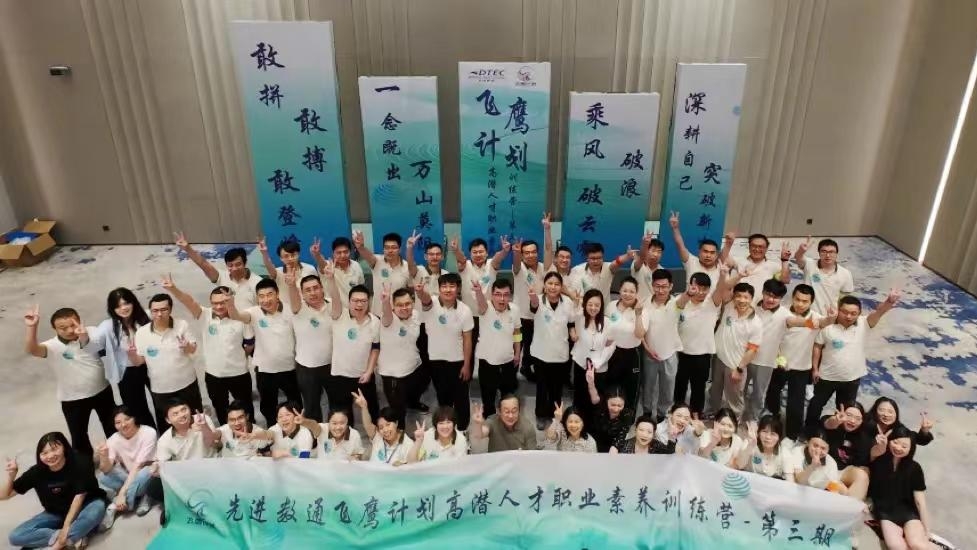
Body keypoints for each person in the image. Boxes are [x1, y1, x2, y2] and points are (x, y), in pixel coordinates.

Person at [24, 305, 115, 456]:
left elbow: (101, 351)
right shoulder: (52, 346)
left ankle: (118, 457)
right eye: (63, 328)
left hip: (102, 391)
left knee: (112, 427)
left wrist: (84, 337)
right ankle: (85, 465)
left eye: (73, 325)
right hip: (72, 399)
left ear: (79, 320)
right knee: (79, 437)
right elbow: (32, 350)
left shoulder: (92, 332)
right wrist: (32, 327)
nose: (69, 330)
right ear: (54, 329)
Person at [804, 291, 900, 433]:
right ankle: (809, 431)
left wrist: (889, 301)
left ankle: (837, 435)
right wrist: (815, 369)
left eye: (853, 313)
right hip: (827, 376)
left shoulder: (864, 323)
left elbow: (879, 312)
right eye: (845, 312)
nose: (848, 316)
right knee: (816, 405)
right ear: (839, 310)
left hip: (851, 378)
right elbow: (817, 346)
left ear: (859, 313)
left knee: (846, 411)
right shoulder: (828, 326)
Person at [164, 275, 254, 424]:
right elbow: (188, 301)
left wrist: (238, 357)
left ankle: (250, 433)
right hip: (214, 375)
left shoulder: (241, 318)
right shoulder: (205, 315)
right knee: (221, 409)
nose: (219, 307)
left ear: (230, 300)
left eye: (223, 302)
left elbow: (249, 345)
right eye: (215, 303)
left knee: (246, 408)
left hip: (239, 374)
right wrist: (173, 289)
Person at [3, 432, 107, 549]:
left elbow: (79, 497)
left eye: (54, 449)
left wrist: (64, 530)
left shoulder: (80, 462)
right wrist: (11, 476)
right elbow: (4, 495)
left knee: (95, 512)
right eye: (44, 453)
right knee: (15, 536)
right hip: (56, 513)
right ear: (39, 455)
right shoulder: (36, 472)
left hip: (87, 505)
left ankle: (63, 541)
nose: (50, 456)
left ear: (64, 447)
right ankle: (76, 536)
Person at [226, 279, 301, 427]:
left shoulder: (290, 310)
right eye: (261, 296)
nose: (266, 300)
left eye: (269, 294)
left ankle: (297, 430)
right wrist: (230, 303)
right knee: (268, 407)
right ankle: (272, 431)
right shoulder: (254, 312)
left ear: (277, 294)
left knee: (295, 404)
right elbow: (237, 316)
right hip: (265, 371)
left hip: (290, 368)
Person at [764, 284, 830, 440]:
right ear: (792, 298)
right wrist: (778, 357)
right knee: (772, 394)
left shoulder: (815, 317)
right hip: (779, 363)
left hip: (802, 367)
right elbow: (772, 337)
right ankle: (772, 424)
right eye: (797, 299)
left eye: (805, 301)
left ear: (811, 302)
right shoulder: (782, 313)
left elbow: (825, 322)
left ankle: (792, 436)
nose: (800, 304)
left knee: (796, 404)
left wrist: (831, 317)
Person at [130, 293, 202, 431]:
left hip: (187, 383)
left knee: (195, 420)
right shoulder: (142, 333)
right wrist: (131, 355)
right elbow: (139, 362)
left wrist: (187, 346)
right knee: (166, 427)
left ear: (170, 310)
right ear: (150, 312)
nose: (159, 314)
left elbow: (193, 349)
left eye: (164, 309)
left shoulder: (181, 325)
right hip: (161, 388)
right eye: (155, 310)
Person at [417, 273, 474, 430]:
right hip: (436, 361)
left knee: (461, 399)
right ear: (439, 288)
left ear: (458, 289)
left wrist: (467, 365)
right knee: (443, 398)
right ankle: (446, 428)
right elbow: (425, 299)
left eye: (452, 286)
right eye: (444, 286)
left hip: (458, 362)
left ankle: (462, 429)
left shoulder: (465, 310)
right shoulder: (432, 304)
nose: (448, 290)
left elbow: (467, 339)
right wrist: (420, 292)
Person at [98, 288, 157, 430]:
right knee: (136, 408)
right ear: (112, 309)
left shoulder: (147, 316)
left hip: (151, 364)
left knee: (160, 400)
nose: (123, 308)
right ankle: (148, 437)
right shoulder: (108, 326)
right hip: (127, 371)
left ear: (133, 302)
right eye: (118, 306)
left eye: (126, 303)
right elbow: (93, 342)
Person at [451, 235, 511, 376]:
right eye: (475, 252)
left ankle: (489, 376)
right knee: (468, 347)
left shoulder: (491, 264)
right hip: (469, 316)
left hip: (489, 315)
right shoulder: (465, 265)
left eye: (481, 251)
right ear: (470, 253)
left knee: (489, 346)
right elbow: (460, 259)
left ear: (486, 253)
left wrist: (505, 251)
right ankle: (467, 374)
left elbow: (498, 259)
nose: (478, 254)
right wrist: (456, 250)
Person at [867, 425, 933, 550]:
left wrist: (927, 530)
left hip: (908, 510)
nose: (898, 448)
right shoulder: (878, 459)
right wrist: (881, 445)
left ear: (911, 449)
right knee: (896, 546)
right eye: (895, 442)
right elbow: (874, 452)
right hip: (885, 511)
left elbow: (920, 501)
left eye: (904, 446)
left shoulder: (914, 468)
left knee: (917, 544)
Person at [325, 277, 381, 424]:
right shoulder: (339, 315)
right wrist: (331, 279)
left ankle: (376, 433)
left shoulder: (375, 321)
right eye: (355, 301)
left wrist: (369, 372)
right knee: (343, 415)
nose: (359, 304)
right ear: (349, 302)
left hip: (364, 376)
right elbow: (335, 296)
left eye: (363, 301)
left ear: (369, 302)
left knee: (372, 410)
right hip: (339, 376)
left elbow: (375, 348)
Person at [673, 270, 727, 418]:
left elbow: (720, 289)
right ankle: (677, 411)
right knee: (680, 385)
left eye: (705, 289)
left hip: (703, 354)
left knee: (699, 386)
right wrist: (688, 294)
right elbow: (678, 305)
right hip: (682, 352)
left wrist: (723, 275)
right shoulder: (681, 299)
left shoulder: (712, 302)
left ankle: (696, 413)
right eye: (698, 288)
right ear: (690, 285)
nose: (701, 292)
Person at [708, 279, 763, 419]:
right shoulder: (728, 307)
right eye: (738, 296)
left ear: (752, 299)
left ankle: (734, 421)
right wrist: (737, 276)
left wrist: (739, 369)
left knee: (734, 398)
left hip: (735, 365)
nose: (742, 300)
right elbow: (724, 287)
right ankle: (714, 415)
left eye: (746, 297)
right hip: (719, 359)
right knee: (715, 390)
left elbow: (752, 350)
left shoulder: (756, 322)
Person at [529, 272, 577, 430]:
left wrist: (572, 333)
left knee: (557, 388)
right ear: (545, 285)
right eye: (550, 283)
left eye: (557, 284)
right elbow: (533, 305)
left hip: (560, 353)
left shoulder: (567, 302)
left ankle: (556, 415)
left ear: (561, 286)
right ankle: (541, 415)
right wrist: (533, 297)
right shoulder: (538, 300)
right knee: (542, 387)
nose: (553, 287)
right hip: (540, 353)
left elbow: (571, 322)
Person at [405, 232, 447, 411]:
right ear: (425, 256)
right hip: (421, 325)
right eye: (431, 254)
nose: (434, 257)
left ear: (442, 256)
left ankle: (442, 399)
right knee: (423, 364)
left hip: (440, 326)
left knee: (437, 363)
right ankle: (413, 399)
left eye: (437, 254)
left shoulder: (446, 275)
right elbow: (411, 265)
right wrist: (409, 248)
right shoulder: (419, 272)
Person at [95, 406, 157, 527]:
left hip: (147, 473)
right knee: (103, 477)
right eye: (118, 422)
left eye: (127, 419)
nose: (123, 425)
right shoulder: (113, 439)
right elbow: (106, 469)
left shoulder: (149, 432)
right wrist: (103, 456)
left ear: (134, 418)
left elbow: (138, 467)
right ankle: (141, 495)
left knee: (145, 474)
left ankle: (115, 505)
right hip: (129, 475)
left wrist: (122, 493)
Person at [286, 270, 334, 423]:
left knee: (337, 404)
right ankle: (315, 433)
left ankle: (336, 432)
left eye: (315, 288)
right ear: (302, 293)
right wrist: (291, 285)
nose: (313, 293)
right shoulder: (298, 308)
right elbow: (294, 300)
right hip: (307, 368)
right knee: (312, 407)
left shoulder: (332, 304)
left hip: (333, 365)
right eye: (308, 290)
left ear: (322, 288)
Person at [473, 279, 522, 419]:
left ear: (510, 296)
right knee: (488, 395)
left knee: (508, 394)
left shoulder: (515, 309)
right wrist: (478, 291)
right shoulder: (485, 308)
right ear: (492, 295)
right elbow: (481, 303)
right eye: (498, 294)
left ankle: (507, 418)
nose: (502, 298)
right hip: (487, 361)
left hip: (508, 360)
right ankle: (489, 417)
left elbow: (517, 332)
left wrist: (517, 353)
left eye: (506, 295)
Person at [173, 233, 262, 310]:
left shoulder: (258, 282)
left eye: (238, 264)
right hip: (227, 323)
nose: (234, 268)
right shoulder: (222, 277)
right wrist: (188, 248)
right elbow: (203, 264)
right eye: (230, 265)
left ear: (245, 263)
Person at [639, 269, 682, 422]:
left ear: (671, 286)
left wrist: (690, 293)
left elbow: (684, 300)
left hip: (670, 353)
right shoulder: (645, 303)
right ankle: (646, 412)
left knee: (668, 387)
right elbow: (640, 330)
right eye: (657, 286)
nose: (661, 290)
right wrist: (647, 348)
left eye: (664, 286)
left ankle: (663, 414)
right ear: (652, 285)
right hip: (649, 352)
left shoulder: (676, 303)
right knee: (648, 385)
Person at [377, 285, 422, 423]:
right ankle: (400, 430)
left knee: (413, 395)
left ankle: (413, 404)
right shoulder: (388, 320)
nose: (404, 308)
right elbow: (386, 314)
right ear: (393, 306)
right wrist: (385, 302)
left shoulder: (415, 314)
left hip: (413, 367)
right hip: (393, 374)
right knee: (398, 411)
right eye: (399, 305)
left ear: (413, 303)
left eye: (407, 303)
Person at [571, 289, 616, 421]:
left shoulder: (607, 322)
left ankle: (594, 423)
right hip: (581, 364)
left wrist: (598, 363)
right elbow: (571, 317)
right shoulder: (580, 318)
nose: (593, 308)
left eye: (597, 305)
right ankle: (578, 423)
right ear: (585, 304)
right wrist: (575, 302)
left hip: (599, 367)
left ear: (601, 306)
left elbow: (611, 346)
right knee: (580, 395)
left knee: (596, 398)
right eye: (590, 304)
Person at [668, 211, 732, 298]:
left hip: (712, 306)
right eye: (705, 251)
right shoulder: (691, 261)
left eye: (712, 253)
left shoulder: (721, 269)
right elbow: (680, 245)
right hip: (689, 305)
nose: (708, 255)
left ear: (716, 255)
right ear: (699, 252)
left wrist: (729, 243)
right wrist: (675, 228)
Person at [604, 276, 646, 409]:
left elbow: (640, 335)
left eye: (632, 291)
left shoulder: (642, 310)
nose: (628, 294)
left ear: (636, 293)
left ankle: (629, 417)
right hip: (613, 352)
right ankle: (611, 414)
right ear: (620, 290)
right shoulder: (611, 306)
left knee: (631, 389)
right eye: (625, 290)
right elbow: (605, 327)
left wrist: (638, 314)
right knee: (611, 385)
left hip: (633, 354)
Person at [509, 235, 546, 382]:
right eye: (526, 253)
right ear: (523, 255)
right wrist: (516, 253)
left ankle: (525, 367)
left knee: (532, 345)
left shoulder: (543, 267)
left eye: (533, 252)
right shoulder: (519, 268)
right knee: (517, 345)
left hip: (537, 315)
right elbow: (516, 264)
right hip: (520, 318)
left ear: (537, 252)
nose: (530, 255)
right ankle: (511, 377)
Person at [821, 402, 871, 500]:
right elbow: (828, 424)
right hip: (824, 468)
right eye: (849, 415)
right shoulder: (832, 422)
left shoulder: (863, 437)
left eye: (858, 418)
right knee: (841, 489)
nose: (852, 421)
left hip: (844, 471)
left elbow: (861, 462)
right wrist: (836, 420)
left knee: (862, 475)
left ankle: (852, 506)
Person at [352, 230, 411, 314]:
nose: (390, 250)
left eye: (394, 247)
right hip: (378, 313)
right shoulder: (377, 261)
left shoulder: (407, 267)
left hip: (399, 314)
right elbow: (367, 255)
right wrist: (360, 247)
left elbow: (411, 292)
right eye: (387, 247)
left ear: (400, 249)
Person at [794, 237, 854, 316]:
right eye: (824, 251)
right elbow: (798, 258)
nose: (827, 255)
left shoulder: (845, 274)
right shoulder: (809, 265)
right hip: (807, 315)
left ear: (836, 254)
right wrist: (801, 251)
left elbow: (846, 300)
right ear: (819, 253)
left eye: (831, 252)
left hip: (830, 316)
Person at [724, 232, 791, 300]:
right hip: (740, 302)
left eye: (760, 247)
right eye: (754, 246)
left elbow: (786, 280)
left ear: (766, 248)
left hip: (761, 304)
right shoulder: (738, 261)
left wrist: (784, 260)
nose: (757, 249)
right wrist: (728, 244)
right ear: (749, 246)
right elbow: (723, 260)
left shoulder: (773, 265)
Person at [354, 391, 412, 466]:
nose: (385, 430)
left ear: (396, 423)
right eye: (381, 427)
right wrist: (364, 407)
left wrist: (403, 466)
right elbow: (368, 425)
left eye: (388, 424)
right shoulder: (378, 436)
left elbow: (413, 467)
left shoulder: (408, 443)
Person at [258, 237, 317, 310]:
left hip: (309, 310)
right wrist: (264, 253)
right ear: (281, 258)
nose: (290, 258)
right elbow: (268, 265)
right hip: (286, 312)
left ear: (298, 254)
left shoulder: (310, 269)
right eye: (286, 256)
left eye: (293, 255)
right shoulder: (278, 273)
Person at [155, 398, 220, 462]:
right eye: (175, 414)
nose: (181, 415)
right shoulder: (164, 440)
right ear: (168, 420)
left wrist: (205, 428)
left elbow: (217, 446)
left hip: (211, 462)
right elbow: (163, 464)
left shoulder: (203, 419)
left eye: (184, 410)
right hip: (186, 467)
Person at [311, 236, 366, 308]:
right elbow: (322, 264)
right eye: (339, 253)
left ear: (350, 252)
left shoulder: (356, 265)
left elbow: (361, 288)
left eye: (345, 252)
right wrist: (317, 255)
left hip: (354, 310)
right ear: (333, 253)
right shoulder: (329, 267)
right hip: (332, 310)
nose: (342, 255)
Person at [469, 396, 537, 453]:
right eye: (506, 412)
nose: (510, 416)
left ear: (519, 411)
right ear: (499, 411)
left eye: (514, 411)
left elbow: (532, 455)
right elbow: (479, 435)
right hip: (496, 460)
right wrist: (477, 424)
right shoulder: (493, 421)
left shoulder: (528, 427)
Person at [735, 415, 794, 481]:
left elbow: (790, 481)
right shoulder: (749, 443)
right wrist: (750, 446)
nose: (768, 437)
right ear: (758, 432)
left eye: (773, 434)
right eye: (764, 432)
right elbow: (739, 465)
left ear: (779, 437)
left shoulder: (785, 453)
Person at [585, 379, 635, 453]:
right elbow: (594, 396)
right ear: (606, 401)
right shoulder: (600, 408)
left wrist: (615, 447)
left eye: (620, 405)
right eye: (613, 405)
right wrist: (591, 383)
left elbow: (622, 434)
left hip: (614, 443)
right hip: (594, 440)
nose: (616, 409)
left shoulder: (627, 413)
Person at [295, 409, 364, 461]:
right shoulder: (323, 429)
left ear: (347, 423)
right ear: (329, 423)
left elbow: (358, 455)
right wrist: (304, 421)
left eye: (342, 423)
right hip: (323, 472)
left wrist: (355, 458)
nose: (338, 427)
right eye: (334, 423)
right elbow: (313, 425)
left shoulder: (354, 435)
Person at [866, 397, 935, 447]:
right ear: (875, 411)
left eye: (890, 412)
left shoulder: (899, 430)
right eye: (882, 410)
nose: (886, 414)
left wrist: (924, 430)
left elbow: (920, 440)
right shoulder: (865, 422)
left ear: (896, 414)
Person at [632, 234, 666, 303]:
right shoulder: (638, 265)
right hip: (637, 306)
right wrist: (645, 244)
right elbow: (641, 257)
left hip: (655, 307)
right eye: (653, 250)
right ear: (646, 251)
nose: (656, 254)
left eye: (659, 252)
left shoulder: (663, 271)